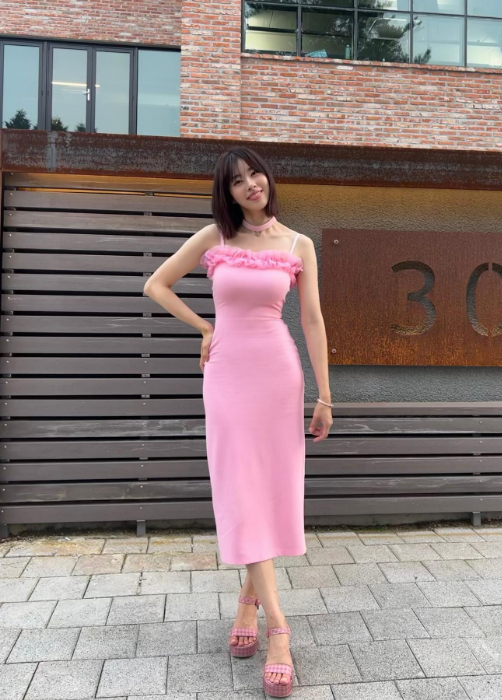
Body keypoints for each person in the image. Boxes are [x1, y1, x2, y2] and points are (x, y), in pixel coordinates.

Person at [143, 146, 333, 697]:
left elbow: (313, 320)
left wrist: (325, 395)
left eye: (255, 174)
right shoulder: (215, 238)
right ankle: (279, 628)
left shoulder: (298, 244)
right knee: (240, 492)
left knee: (268, 493)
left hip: (278, 376)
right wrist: (205, 328)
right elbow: (156, 284)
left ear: (267, 178)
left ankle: (249, 602)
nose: (250, 184)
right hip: (227, 377)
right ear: (226, 193)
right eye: (237, 181)